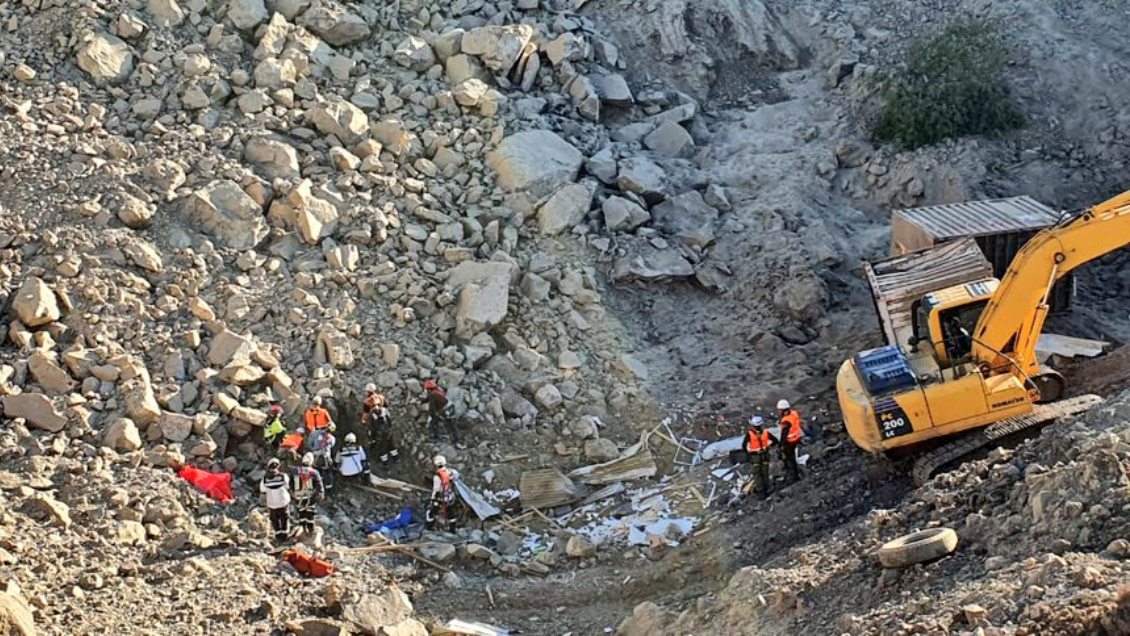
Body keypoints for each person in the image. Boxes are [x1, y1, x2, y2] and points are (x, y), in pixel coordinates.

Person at [362, 383, 400, 467]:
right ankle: (396, 458)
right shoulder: (382, 398)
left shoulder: (367, 402)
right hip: (387, 428)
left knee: (381, 447)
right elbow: (387, 409)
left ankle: (385, 463)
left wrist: (365, 425)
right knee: (391, 444)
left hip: (378, 431)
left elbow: (366, 416)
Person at [291, 453, 325, 536]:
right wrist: (321, 493)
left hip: (298, 497)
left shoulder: (295, 471)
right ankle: (310, 530)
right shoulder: (314, 472)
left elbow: (290, 483)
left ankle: (302, 528)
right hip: (310, 497)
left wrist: (291, 492)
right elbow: (319, 484)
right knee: (310, 513)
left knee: (301, 512)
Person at [745, 416, 779, 498]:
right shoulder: (766, 433)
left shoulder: (750, 434)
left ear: (753, 425)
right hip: (765, 455)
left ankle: (761, 492)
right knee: (765, 473)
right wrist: (768, 447)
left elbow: (744, 446)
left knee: (757, 475)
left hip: (755, 456)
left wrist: (749, 454)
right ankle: (768, 489)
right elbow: (775, 441)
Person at [260, 458, 291, 544]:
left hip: (272, 503)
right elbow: (288, 486)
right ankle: (285, 534)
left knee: (274, 519)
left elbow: (262, 490)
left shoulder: (265, 478)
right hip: (283, 501)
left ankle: (278, 535)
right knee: (284, 517)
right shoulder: (283, 476)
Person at [426, 455, 460, 532]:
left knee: (430, 512)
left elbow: (436, 489)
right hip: (450, 497)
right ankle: (452, 529)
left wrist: (432, 500)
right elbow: (457, 477)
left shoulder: (437, 477)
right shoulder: (451, 472)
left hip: (441, 498)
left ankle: (429, 528)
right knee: (451, 514)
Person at [424, 380, 459, 445]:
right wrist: (423, 401)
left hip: (447, 410)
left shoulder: (433, 395)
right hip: (450, 407)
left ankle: (437, 437)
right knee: (451, 425)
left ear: (428, 389)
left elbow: (432, 408)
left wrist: (432, 415)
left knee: (435, 422)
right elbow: (430, 398)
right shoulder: (438, 391)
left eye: (426, 389)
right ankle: (456, 440)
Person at [777, 399, 803, 483]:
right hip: (796, 438)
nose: (779, 412)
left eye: (779, 410)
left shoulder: (786, 421)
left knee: (790, 459)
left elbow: (784, 435)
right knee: (792, 457)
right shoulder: (794, 413)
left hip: (789, 442)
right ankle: (793, 471)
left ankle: (794, 476)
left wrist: (780, 445)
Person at [308, 423, 337, 496]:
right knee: (327, 472)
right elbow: (331, 446)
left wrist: (314, 449)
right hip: (325, 457)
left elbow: (310, 443)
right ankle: (328, 490)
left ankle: (315, 488)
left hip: (316, 456)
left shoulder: (315, 433)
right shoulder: (332, 438)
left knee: (315, 472)